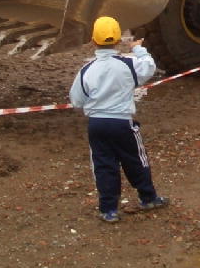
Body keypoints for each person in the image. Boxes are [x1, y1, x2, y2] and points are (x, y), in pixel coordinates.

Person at [69, 16, 169, 223]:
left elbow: (76, 100)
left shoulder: (86, 71)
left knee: (104, 165)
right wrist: (138, 48)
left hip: (97, 124)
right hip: (123, 121)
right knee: (136, 161)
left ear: (93, 40)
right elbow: (149, 67)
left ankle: (108, 210)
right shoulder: (129, 64)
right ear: (117, 40)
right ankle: (148, 198)